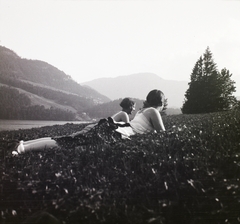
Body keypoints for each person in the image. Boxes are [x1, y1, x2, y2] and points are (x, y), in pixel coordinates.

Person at [13, 98, 136, 154]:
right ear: (129, 106)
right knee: (64, 142)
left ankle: (26, 144)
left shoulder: (120, 113)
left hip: (93, 129)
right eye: (133, 106)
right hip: (94, 131)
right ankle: (24, 148)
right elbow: (125, 130)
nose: (134, 109)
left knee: (63, 139)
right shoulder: (124, 115)